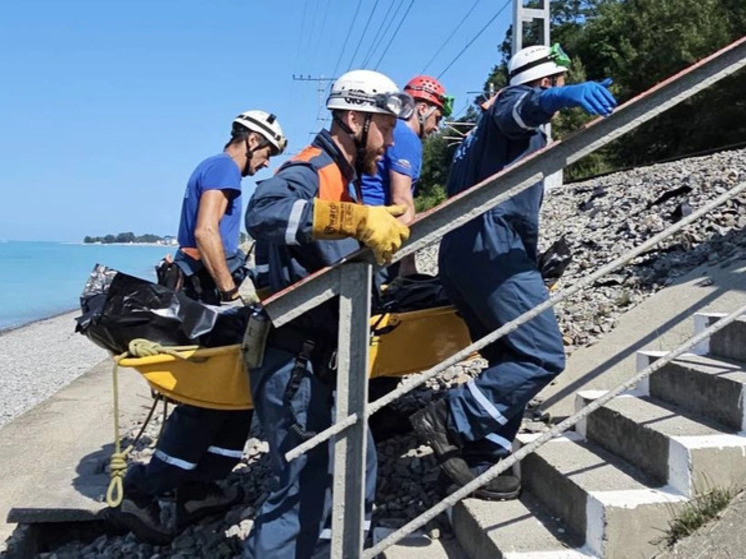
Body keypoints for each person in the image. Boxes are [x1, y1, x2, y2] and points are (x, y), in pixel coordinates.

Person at [410, 44, 617, 500]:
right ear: (546, 82)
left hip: (466, 255)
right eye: (560, 84)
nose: (563, 95)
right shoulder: (509, 107)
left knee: (510, 358)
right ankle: (451, 418)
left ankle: (485, 451)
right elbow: (518, 108)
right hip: (492, 251)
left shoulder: (474, 140)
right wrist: (559, 99)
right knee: (541, 355)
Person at [242, 69, 412, 558]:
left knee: (354, 467)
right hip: (295, 361)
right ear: (354, 118)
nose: (390, 140)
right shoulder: (314, 168)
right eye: (385, 126)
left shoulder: (345, 178)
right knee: (304, 484)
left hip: (317, 359)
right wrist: (355, 220)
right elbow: (263, 211)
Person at [114, 110, 287, 544]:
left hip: (201, 286)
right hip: (207, 291)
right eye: (266, 152)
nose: (265, 163)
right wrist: (230, 292)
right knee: (208, 398)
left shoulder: (217, 168)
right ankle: (141, 492)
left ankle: (199, 488)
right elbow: (206, 230)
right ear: (250, 139)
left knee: (233, 394)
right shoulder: (224, 167)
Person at [360, 75, 450, 280]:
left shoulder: (392, 132)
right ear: (423, 109)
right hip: (378, 237)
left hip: (366, 226)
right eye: (438, 118)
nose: (437, 127)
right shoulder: (406, 136)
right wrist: (408, 266)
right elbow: (401, 202)